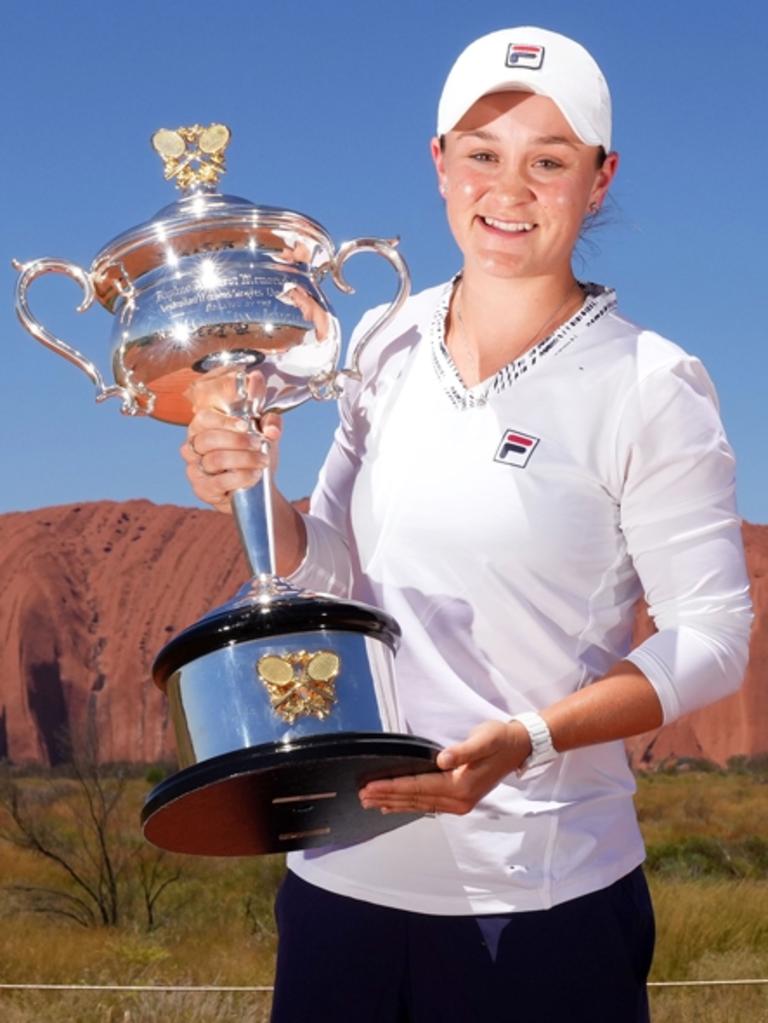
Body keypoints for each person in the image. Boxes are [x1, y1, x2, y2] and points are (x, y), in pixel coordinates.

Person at [181, 27, 753, 1023]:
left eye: (550, 161)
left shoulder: (651, 386)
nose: (510, 189)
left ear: (600, 179)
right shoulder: (386, 336)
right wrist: (255, 491)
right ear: (440, 164)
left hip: (538, 903)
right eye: (483, 155)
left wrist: (527, 739)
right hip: (340, 883)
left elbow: (713, 638)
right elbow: (334, 568)